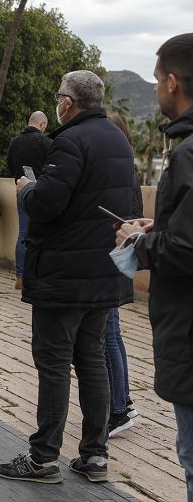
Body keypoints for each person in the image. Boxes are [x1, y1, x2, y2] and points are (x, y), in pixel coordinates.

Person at [0, 70, 134, 485]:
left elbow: (48, 204)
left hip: (65, 274)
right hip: (104, 270)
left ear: (68, 102)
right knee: (92, 361)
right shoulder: (118, 140)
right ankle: (95, 456)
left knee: (54, 363)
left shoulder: (70, 141)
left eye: (59, 97)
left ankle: (42, 458)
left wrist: (26, 190)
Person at [117, 34, 193, 500]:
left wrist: (141, 240)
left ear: (171, 82)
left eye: (156, 80)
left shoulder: (187, 154)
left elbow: (185, 250)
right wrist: (160, 224)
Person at [103, 111, 141, 439]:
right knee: (113, 332)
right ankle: (123, 401)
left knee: (108, 334)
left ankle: (117, 409)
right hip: (119, 258)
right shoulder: (128, 168)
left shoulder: (115, 171)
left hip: (110, 258)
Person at [7, 112, 53, 290]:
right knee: (43, 234)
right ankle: (38, 275)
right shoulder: (46, 142)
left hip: (21, 191)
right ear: (42, 125)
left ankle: (20, 276)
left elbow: (10, 166)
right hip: (43, 193)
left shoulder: (15, 142)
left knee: (23, 234)